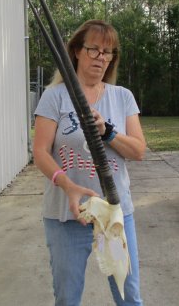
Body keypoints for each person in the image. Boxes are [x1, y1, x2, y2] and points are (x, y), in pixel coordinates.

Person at [33, 19, 146, 306]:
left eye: (108, 52)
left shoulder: (123, 97)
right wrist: (67, 185)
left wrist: (107, 131)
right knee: (67, 298)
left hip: (115, 214)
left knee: (128, 296)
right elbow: (41, 152)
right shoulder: (54, 96)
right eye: (93, 49)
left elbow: (138, 150)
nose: (101, 58)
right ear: (77, 51)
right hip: (68, 215)